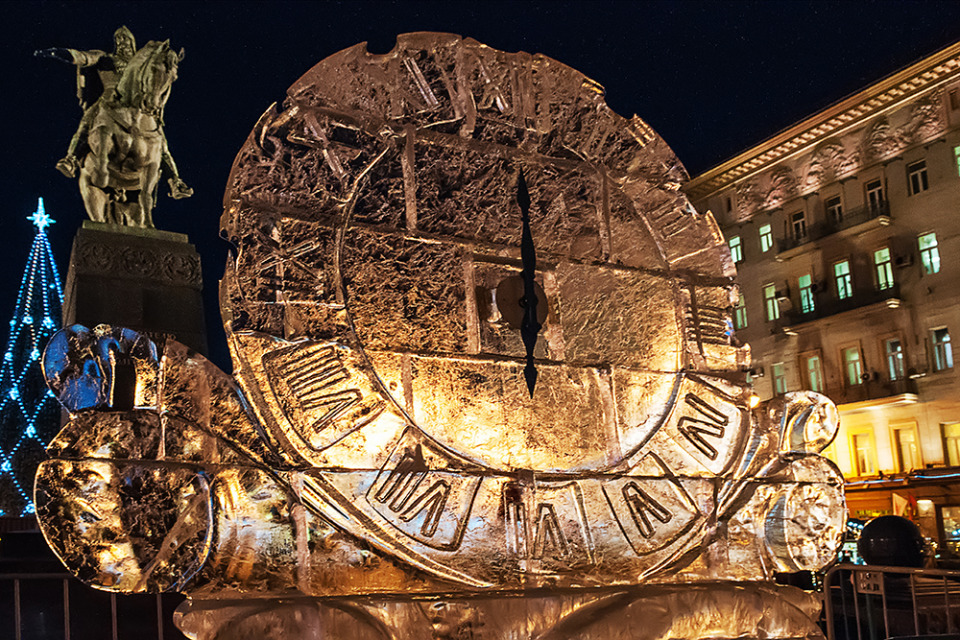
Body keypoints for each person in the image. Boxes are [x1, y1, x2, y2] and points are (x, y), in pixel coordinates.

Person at [36, 26, 192, 199]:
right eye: (118, 40)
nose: (122, 43)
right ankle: (71, 158)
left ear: (133, 43)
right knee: (87, 121)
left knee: (160, 142)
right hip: (109, 100)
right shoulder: (105, 58)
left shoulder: (141, 62)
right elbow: (84, 58)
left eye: (126, 40)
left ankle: (175, 181)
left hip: (138, 104)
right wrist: (60, 53)